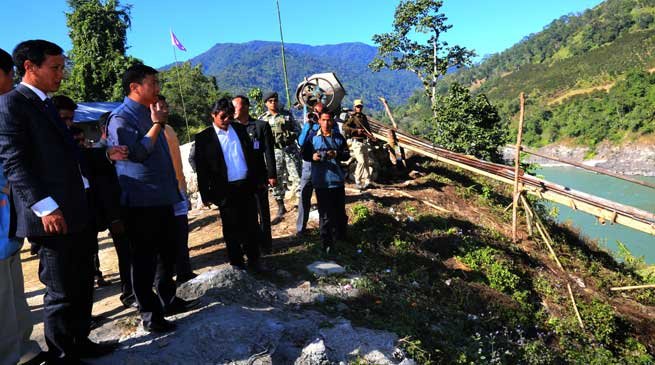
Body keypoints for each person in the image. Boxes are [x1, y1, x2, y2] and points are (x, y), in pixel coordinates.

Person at [0, 40, 115, 364]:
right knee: (61, 290)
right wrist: (44, 206)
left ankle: (80, 341)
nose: (61, 74)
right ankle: (63, 354)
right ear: (29, 67)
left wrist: (105, 153)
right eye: (55, 67)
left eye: (63, 67)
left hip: (76, 211)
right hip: (51, 217)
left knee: (81, 284)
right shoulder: (12, 104)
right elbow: (14, 163)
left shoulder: (47, 104)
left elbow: (70, 154)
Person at [107, 64, 197, 333]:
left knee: (168, 253)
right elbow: (137, 154)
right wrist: (158, 124)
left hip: (164, 197)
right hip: (140, 201)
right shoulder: (121, 118)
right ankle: (150, 314)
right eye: (153, 83)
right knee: (144, 260)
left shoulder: (150, 113)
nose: (158, 88)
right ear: (135, 87)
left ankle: (168, 299)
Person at [53, 95, 134, 305]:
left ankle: (84, 324)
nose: (68, 125)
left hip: (96, 215)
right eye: (64, 119)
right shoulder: (47, 150)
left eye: (71, 119)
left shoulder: (91, 153)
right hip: (69, 220)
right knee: (72, 274)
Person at [0, 47, 45, 365]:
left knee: (15, 299)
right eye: (10, 75)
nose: (13, 81)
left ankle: (25, 351)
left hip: (9, 230)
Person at [195, 98, 266, 271]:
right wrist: (205, 194)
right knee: (231, 228)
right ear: (213, 115)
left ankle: (254, 259)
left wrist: (260, 179)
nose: (227, 120)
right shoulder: (204, 138)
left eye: (230, 116)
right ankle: (237, 263)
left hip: (246, 185)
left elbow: (255, 157)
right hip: (224, 190)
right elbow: (202, 169)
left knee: (251, 224)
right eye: (223, 116)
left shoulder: (241, 130)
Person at [158, 95, 197, 284]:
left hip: (179, 188)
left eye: (166, 106)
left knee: (182, 232)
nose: (165, 110)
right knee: (167, 235)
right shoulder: (151, 133)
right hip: (163, 193)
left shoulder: (170, 130)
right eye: (161, 107)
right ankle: (168, 276)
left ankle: (184, 270)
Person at [233, 95, 277, 255]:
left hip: (258, 177)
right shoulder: (231, 128)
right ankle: (250, 243)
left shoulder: (260, 126)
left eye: (235, 107)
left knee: (263, 211)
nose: (233, 111)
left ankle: (266, 244)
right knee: (244, 213)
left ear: (245, 107)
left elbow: (269, 153)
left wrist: (272, 174)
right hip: (240, 179)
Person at [301, 110, 349, 254]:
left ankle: (341, 238)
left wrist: (337, 154)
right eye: (323, 120)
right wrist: (313, 156)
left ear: (332, 121)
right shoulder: (312, 138)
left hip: (337, 181)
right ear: (319, 121)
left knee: (340, 212)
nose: (326, 123)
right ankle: (326, 243)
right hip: (321, 182)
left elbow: (346, 155)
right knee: (325, 214)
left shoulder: (339, 138)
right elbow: (303, 154)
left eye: (329, 120)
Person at [296, 102, 339, 237]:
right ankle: (300, 228)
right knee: (304, 195)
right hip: (309, 165)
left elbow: (337, 141)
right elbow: (301, 142)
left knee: (325, 198)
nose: (317, 115)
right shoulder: (309, 125)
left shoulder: (331, 125)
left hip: (325, 166)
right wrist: (308, 126)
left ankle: (327, 229)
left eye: (320, 113)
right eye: (316, 112)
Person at [259, 92, 300, 225]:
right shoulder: (263, 119)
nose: (273, 103)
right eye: (270, 101)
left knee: (297, 176)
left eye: (275, 100)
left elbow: (297, 129)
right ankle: (281, 206)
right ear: (266, 103)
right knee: (275, 179)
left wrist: (291, 135)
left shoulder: (287, 115)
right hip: (274, 152)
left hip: (289, 149)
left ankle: (301, 203)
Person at [343, 99, 376, 190]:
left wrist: (371, 136)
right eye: (357, 106)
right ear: (354, 107)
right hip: (356, 142)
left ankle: (368, 181)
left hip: (364, 141)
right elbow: (345, 127)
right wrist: (356, 131)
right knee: (361, 162)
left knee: (366, 162)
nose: (359, 108)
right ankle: (357, 181)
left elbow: (367, 129)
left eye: (360, 106)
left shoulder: (363, 117)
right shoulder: (352, 117)